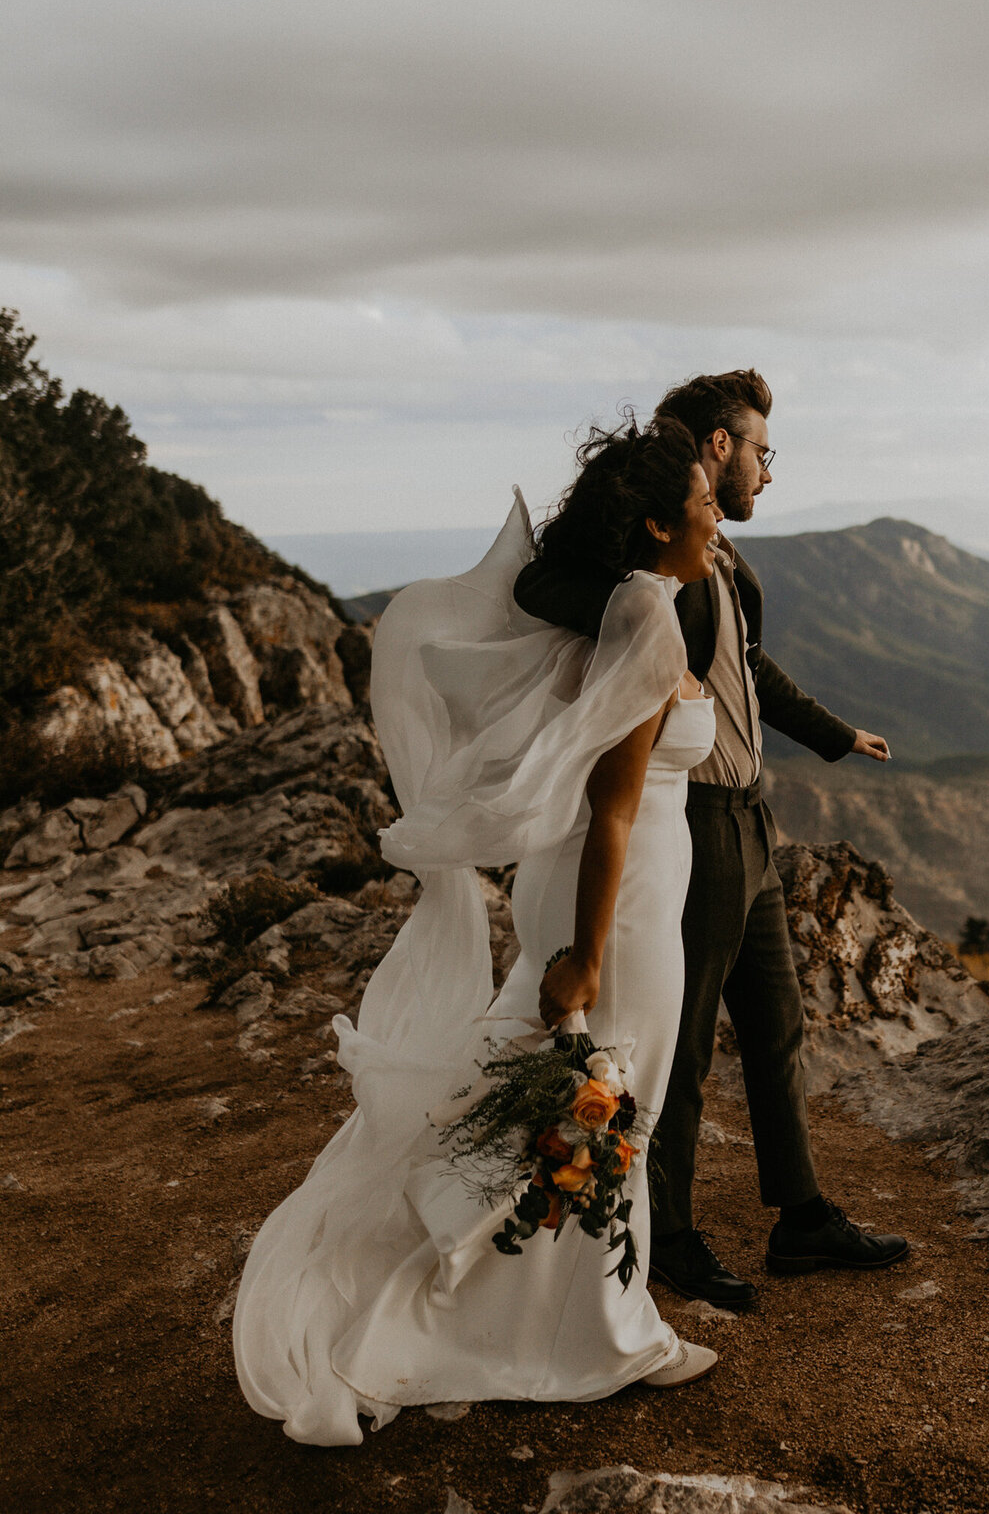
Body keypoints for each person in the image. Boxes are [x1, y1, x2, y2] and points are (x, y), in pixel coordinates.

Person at [234, 418, 729, 1445]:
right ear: (653, 524)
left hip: (612, 894)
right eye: (703, 506)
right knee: (603, 1107)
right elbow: (616, 809)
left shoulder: (623, 602)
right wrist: (587, 954)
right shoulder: (646, 616)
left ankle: (583, 1313)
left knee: (575, 1109)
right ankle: (594, 1329)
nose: (718, 520)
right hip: (619, 904)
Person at [512, 369, 905, 1314]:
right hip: (695, 827)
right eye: (762, 452)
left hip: (751, 816)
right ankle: (671, 1236)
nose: (769, 473)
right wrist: (638, 611)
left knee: (776, 1027)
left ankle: (801, 1216)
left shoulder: (720, 560)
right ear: (718, 449)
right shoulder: (654, 569)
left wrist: (833, 733)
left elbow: (747, 665)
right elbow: (542, 583)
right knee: (681, 1043)